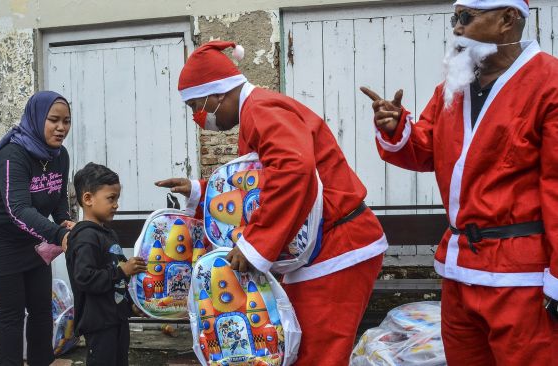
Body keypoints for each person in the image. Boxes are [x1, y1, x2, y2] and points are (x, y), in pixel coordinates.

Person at [156, 40, 388, 365]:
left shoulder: (261, 111)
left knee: (318, 355)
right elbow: (254, 185)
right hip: (322, 249)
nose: (199, 117)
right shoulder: (255, 112)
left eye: (198, 105)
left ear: (218, 93)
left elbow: (293, 169)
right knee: (300, 350)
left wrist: (255, 244)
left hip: (338, 247)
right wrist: (198, 190)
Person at [361, 0, 558, 363]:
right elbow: (426, 151)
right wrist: (396, 128)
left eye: (466, 18)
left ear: (507, 20)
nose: (456, 29)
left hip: (519, 279)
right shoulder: (454, 87)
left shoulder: (550, 82)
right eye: (454, 18)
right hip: (457, 271)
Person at [0, 91, 74, 365]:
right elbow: (18, 209)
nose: (61, 128)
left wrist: (67, 222)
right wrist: (58, 234)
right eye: (53, 120)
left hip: (31, 241)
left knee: (41, 310)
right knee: (12, 313)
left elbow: (59, 198)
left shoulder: (59, 156)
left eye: (66, 121)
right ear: (37, 119)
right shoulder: (12, 155)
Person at [65, 162, 147, 366]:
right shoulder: (85, 237)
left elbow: (117, 282)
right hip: (99, 323)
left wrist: (131, 306)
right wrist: (122, 270)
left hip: (117, 319)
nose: (116, 204)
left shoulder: (108, 234)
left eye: (117, 198)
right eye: (111, 198)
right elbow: (84, 278)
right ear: (88, 199)